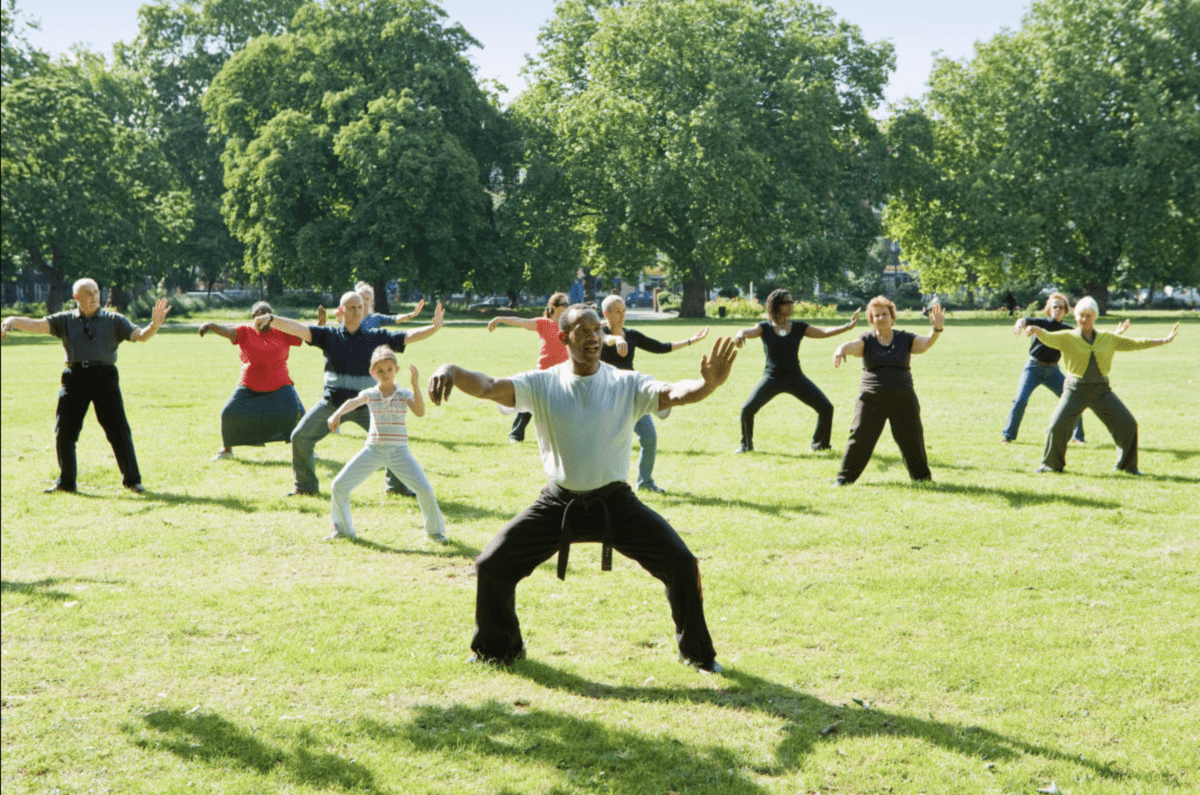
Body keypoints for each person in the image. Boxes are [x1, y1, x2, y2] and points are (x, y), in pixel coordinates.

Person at [427, 305, 739, 672]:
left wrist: (708, 384)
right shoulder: (542, 383)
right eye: (583, 330)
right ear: (563, 338)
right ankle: (499, 649)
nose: (594, 336)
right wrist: (451, 370)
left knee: (682, 565)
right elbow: (489, 387)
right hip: (558, 502)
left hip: (615, 503)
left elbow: (674, 393)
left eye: (598, 329)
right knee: (492, 565)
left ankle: (698, 654)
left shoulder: (626, 383)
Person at [258, 292, 445, 496]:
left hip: (368, 405)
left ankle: (396, 488)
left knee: (391, 441)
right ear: (341, 311)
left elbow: (407, 336)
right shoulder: (329, 336)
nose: (357, 311)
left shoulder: (374, 337)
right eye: (352, 307)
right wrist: (272, 319)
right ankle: (305, 487)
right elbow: (299, 329)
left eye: (360, 307)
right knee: (300, 437)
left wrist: (434, 328)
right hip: (332, 405)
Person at [0, 278, 170, 493]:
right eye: (88, 293)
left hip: (104, 376)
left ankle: (133, 481)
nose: (94, 297)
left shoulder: (114, 320)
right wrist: (13, 319)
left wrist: (154, 326)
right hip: (75, 376)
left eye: (96, 292)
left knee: (118, 430)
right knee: (65, 432)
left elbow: (140, 336)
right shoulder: (65, 320)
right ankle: (66, 482)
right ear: (76, 298)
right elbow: (38, 324)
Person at [1027, 296, 1178, 475]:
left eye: (1088, 316)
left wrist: (1163, 340)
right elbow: (1048, 337)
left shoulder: (1107, 338)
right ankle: (1051, 465)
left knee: (1128, 424)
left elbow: (1135, 343)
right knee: (1056, 427)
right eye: (1081, 315)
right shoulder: (1067, 337)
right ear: (1075, 317)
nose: (1084, 320)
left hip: (1102, 391)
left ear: (1095, 317)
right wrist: (1036, 329)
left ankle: (1128, 466)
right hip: (1075, 390)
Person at [327, 346, 446, 543]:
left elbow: (419, 411)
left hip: (399, 451)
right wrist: (336, 414)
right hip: (373, 450)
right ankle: (342, 530)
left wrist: (416, 384)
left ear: (396, 370)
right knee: (339, 485)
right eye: (380, 371)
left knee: (425, 489)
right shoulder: (370, 393)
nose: (385, 374)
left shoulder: (404, 393)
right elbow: (353, 402)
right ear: (372, 373)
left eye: (389, 369)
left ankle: (435, 532)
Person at [599, 294, 709, 492]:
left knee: (649, 438)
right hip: (608, 397)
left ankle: (646, 482)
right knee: (609, 443)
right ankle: (604, 484)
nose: (622, 315)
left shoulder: (631, 335)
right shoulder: (597, 333)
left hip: (632, 393)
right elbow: (604, 339)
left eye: (624, 310)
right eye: (617, 311)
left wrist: (691, 341)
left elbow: (660, 347)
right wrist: (615, 339)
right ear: (606, 314)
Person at [831, 296, 945, 485]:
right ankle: (844, 479)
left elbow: (925, 344)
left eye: (885, 314)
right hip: (871, 398)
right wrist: (841, 348)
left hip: (903, 397)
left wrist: (937, 329)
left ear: (892, 317)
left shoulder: (904, 338)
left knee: (912, 438)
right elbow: (853, 346)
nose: (881, 318)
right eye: (876, 315)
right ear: (871, 319)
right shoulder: (866, 339)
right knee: (860, 438)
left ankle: (922, 478)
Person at [731, 288, 860, 453]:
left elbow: (824, 332)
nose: (793, 305)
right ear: (778, 305)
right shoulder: (765, 327)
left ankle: (820, 446)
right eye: (789, 302)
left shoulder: (799, 327)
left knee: (826, 407)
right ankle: (745, 446)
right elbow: (749, 332)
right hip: (772, 378)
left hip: (795, 377)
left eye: (793, 301)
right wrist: (740, 334)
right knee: (747, 409)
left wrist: (848, 326)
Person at [1001, 293, 1130, 445]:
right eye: (1055, 307)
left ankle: (1078, 437)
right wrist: (1019, 323)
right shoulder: (1041, 323)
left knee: (1074, 399)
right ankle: (1008, 436)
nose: (1058, 310)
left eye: (1061, 307)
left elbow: (1092, 338)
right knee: (1020, 401)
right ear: (1049, 309)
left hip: (1052, 372)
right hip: (1033, 368)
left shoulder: (1068, 330)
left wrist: (1116, 334)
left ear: (1066, 311)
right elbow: (1024, 320)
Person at [199, 301, 305, 461]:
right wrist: (211, 325)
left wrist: (321, 323)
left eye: (267, 314)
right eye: (259, 313)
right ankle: (226, 450)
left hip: (280, 385)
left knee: (299, 414)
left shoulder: (282, 332)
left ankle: (304, 450)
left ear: (271, 317)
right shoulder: (245, 331)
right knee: (228, 413)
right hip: (249, 386)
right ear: (253, 317)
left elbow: (304, 334)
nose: (263, 317)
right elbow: (228, 332)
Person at [486, 292, 570, 442]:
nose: (567, 307)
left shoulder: (569, 325)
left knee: (564, 403)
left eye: (567, 304)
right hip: (544, 372)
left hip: (563, 372)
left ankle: (561, 436)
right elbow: (520, 321)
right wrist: (499, 318)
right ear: (553, 307)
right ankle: (516, 435)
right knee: (529, 402)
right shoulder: (543, 323)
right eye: (564, 304)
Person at [318, 282, 425, 330]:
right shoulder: (348, 315)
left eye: (367, 299)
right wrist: (338, 316)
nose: (363, 301)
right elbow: (339, 315)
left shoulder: (377, 318)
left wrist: (412, 314)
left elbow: (395, 319)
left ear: (371, 301)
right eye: (361, 297)